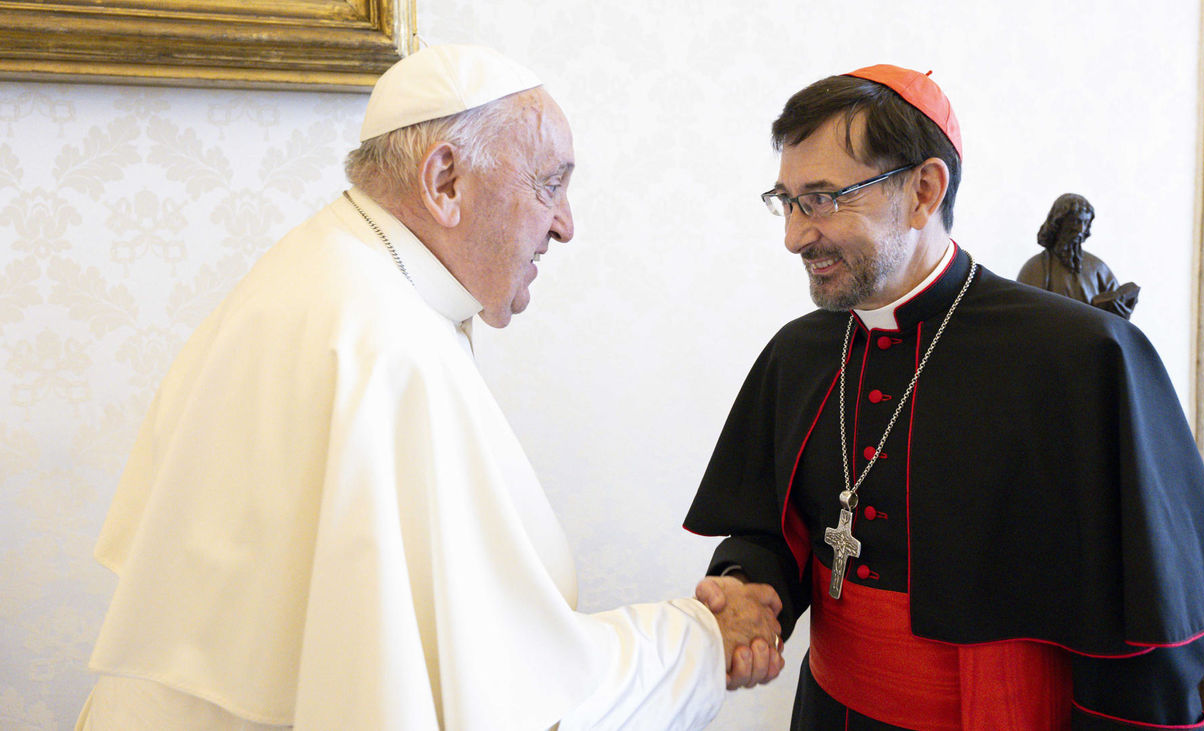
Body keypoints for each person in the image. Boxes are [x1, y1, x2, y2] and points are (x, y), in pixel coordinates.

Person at [77, 44, 783, 730]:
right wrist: (699, 638)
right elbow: (504, 692)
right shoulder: (385, 345)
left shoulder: (323, 274)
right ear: (445, 180)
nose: (565, 225)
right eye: (550, 183)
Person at [684, 64, 1204, 730]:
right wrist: (752, 588)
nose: (794, 234)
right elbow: (771, 527)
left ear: (924, 190)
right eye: (787, 200)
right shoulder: (799, 352)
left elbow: (1149, 639)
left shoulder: (1082, 356)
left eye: (823, 198)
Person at [1017, 193, 1140, 319]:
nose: (1081, 229)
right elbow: (1026, 314)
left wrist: (1121, 305)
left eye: (1085, 222)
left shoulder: (1098, 267)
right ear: (1059, 222)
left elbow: (1117, 313)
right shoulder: (1035, 267)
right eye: (1075, 221)